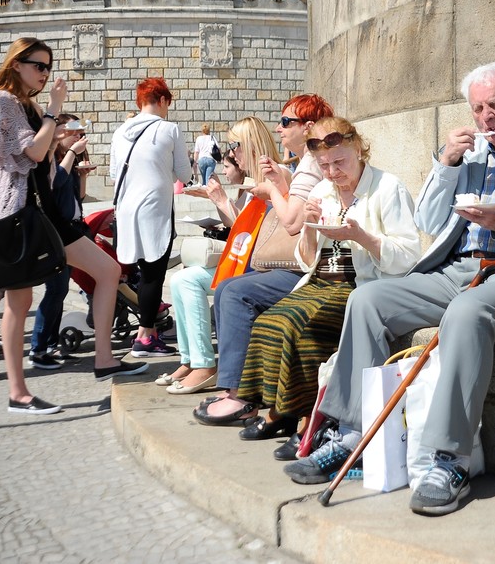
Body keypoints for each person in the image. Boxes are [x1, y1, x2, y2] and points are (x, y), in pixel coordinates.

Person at [284, 63, 495, 517]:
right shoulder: (467, 156)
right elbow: (428, 223)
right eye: (478, 108)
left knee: (467, 313)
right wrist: (445, 165)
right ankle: (352, 432)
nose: (487, 117)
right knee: (368, 299)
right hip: (457, 269)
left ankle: (450, 459)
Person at [216, 117, 421, 455]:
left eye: (339, 162)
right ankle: (286, 409)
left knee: (296, 324)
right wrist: (310, 229)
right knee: (269, 321)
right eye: (324, 165)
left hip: (359, 285)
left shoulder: (387, 187)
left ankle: (305, 415)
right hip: (320, 280)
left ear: (358, 149)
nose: (332, 172)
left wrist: (362, 237)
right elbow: (307, 258)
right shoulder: (323, 190)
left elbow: (409, 255)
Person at [0, 37, 147, 415]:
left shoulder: (27, 104)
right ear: (16, 63)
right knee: (19, 301)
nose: (45, 73)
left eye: (49, 67)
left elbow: (43, 161)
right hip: (16, 212)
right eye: (39, 66)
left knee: (108, 270)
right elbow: (33, 152)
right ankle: (18, 392)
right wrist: (53, 111)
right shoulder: (2, 100)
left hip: (47, 211)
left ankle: (105, 359)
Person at [192, 94, 331, 428]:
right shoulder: (305, 164)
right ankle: (232, 386)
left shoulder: (312, 163)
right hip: (300, 261)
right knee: (227, 288)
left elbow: (293, 222)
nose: (279, 129)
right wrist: (280, 184)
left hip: (311, 268)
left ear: (307, 127)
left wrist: (273, 191)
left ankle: (240, 395)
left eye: (286, 122)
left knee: (235, 292)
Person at [163, 117, 290, 394]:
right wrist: (217, 199)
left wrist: (221, 200)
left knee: (188, 281)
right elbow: (241, 229)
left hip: (261, 265)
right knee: (180, 280)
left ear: (251, 144)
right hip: (248, 260)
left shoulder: (273, 176)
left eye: (234, 145)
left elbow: (257, 233)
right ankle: (191, 359)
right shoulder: (253, 181)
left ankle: (205, 365)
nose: (230, 153)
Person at [109, 77, 193, 356]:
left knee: (142, 274)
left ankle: (148, 333)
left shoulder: (120, 131)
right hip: (155, 208)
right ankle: (145, 338)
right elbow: (185, 175)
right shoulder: (169, 129)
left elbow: (113, 175)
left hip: (126, 209)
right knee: (153, 275)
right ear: (162, 100)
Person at [27, 113, 93, 369]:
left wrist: (83, 175)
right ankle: (39, 348)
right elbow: (54, 185)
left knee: (60, 290)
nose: (77, 136)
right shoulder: (51, 159)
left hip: (72, 228)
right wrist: (72, 154)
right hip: (56, 232)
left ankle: (50, 345)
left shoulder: (69, 160)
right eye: (71, 131)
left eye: (78, 132)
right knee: (55, 289)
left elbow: (78, 196)